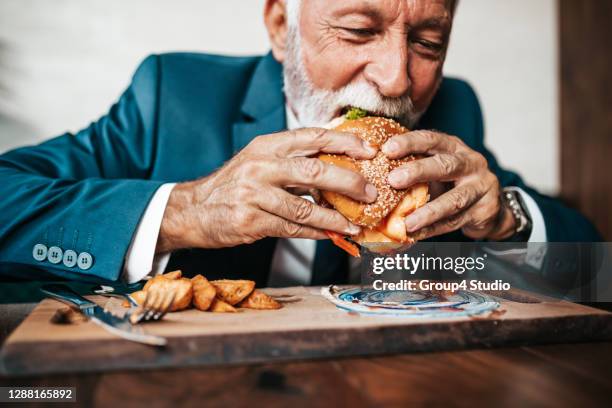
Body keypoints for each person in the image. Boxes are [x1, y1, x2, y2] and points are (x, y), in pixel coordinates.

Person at [0, 0, 600, 286]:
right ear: (282, 25)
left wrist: (508, 220)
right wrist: (187, 210)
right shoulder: (173, 95)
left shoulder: (452, 109)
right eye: (359, 30)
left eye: (428, 43)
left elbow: (594, 265)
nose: (396, 79)